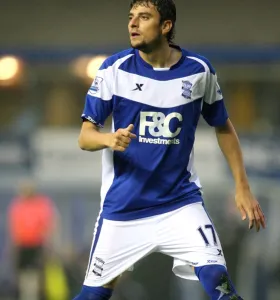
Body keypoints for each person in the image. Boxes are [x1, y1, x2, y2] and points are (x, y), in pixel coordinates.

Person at [74, 1, 266, 299]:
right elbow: (85, 136)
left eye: (144, 17)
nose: (133, 24)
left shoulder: (199, 71)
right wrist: (108, 139)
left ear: (166, 26)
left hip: (180, 204)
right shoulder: (114, 69)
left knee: (220, 283)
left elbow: (223, 126)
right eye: (131, 17)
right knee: (93, 296)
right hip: (124, 208)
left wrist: (242, 186)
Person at [7, 179, 56, 300]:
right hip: (22, 245)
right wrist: (13, 246)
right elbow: (14, 227)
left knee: (36, 275)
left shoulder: (41, 204)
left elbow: (48, 225)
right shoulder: (18, 205)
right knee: (22, 275)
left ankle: (32, 295)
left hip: (36, 245)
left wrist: (48, 242)